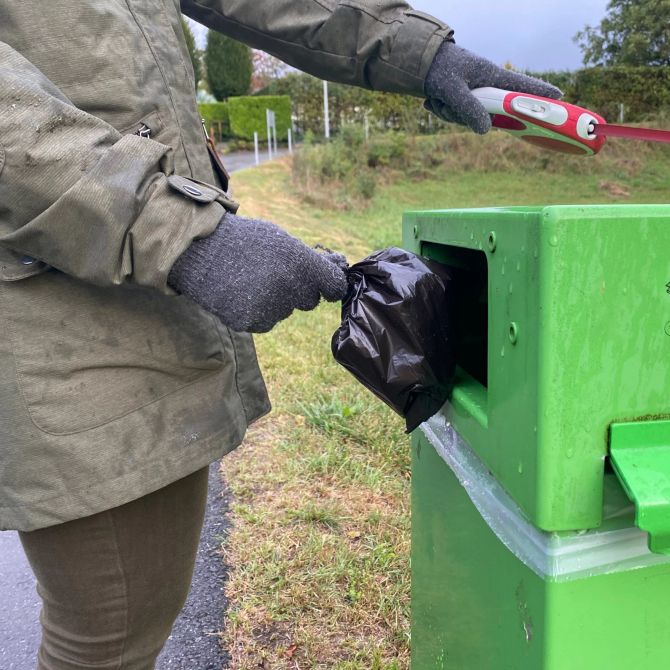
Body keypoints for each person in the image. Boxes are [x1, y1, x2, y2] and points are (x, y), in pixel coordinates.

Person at [0, 2, 560, 668]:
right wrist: (177, 231)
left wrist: (417, 52)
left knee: (135, 614)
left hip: (138, 277)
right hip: (63, 286)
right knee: (110, 630)